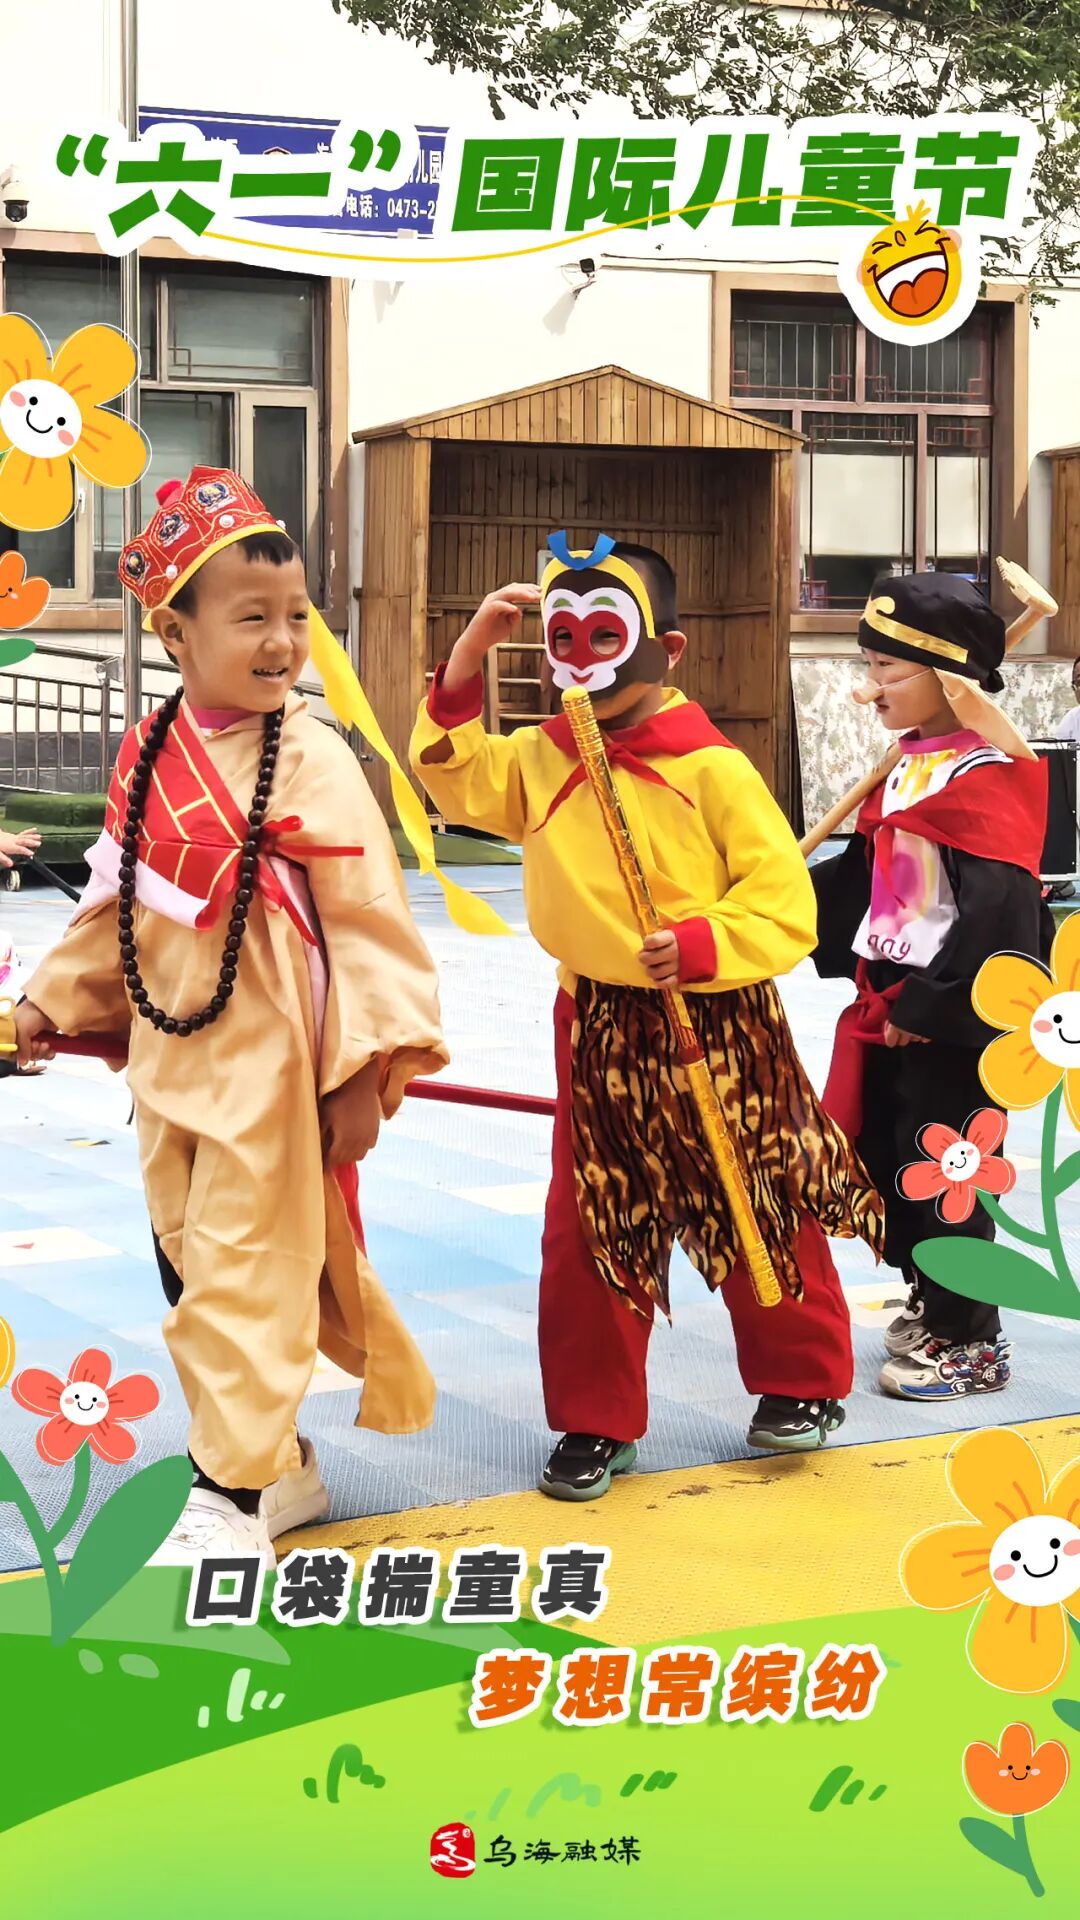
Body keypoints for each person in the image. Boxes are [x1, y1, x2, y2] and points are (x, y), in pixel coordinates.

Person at [15, 468, 448, 1561]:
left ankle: (232, 1494)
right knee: (190, 1267)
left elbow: (370, 923)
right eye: (252, 617)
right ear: (177, 632)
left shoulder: (312, 756)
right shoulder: (148, 750)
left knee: (244, 1274)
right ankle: (283, 1465)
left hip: (275, 1067)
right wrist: (44, 1005)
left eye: (296, 615)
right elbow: (117, 908)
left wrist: (364, 1071)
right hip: (173, 1064)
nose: (282, 642)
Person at [410, 533, 883, 1499]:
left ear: (666, 648)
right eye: (563, 636)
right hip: (595, 1021)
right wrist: (466, 659)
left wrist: (704, 944)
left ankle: (800, 1382)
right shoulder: (540, 759)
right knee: (593, 1218)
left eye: (604, 634)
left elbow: (783, 903)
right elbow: (452, 773)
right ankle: (595, 1416)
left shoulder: (713, 768)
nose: (582, 655)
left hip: (719, 1020)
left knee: (757, 1195)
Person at [811, 571, 1051, 1401]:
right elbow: (869, 875)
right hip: (890, 999)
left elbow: (1002, 914)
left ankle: (972, 1339)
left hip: (950, 1012)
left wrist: (935, 1004)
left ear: (948, 680)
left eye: (886, 668)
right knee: (892, 1154)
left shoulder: (987, 777)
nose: (868, 685)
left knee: (950, 1167)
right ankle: (930, 1298)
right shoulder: (914, 763)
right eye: (869, 665)